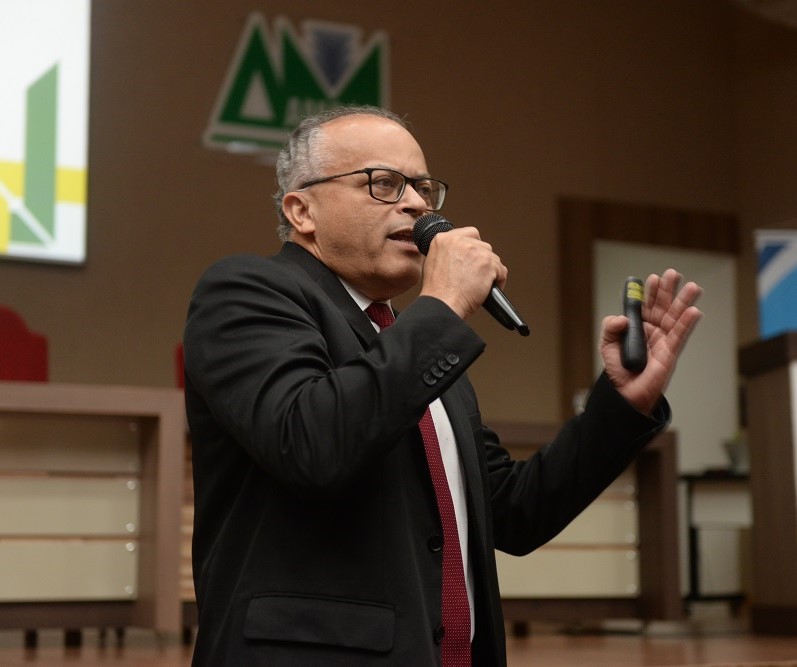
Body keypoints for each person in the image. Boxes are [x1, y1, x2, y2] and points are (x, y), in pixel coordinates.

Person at [183, 105, 702, 666]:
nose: (416, 204)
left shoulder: (420, 342)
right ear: (302, 209)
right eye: (383, 183)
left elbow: (517, 512)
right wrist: (446, 304)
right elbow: (312, 443)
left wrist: (623, 403)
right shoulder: (247, 291)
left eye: (423, 188)